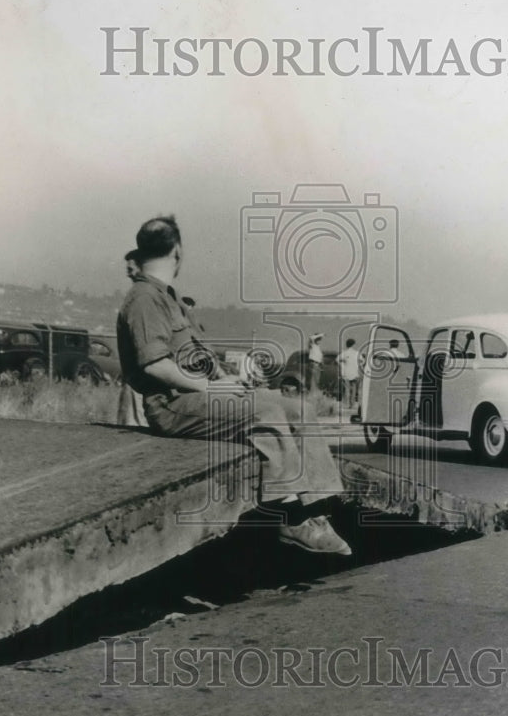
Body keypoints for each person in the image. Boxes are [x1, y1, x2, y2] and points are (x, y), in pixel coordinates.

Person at [116, 215, 352, 555]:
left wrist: (226, 378)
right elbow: (155, 365)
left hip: (197, 394)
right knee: (268, 410)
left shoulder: (170, 299)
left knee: (299, 408)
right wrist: (210, 389)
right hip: (172, 405)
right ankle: (290, 518)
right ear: (177, 252)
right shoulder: (143, 298)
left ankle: (316, 509)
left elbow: (193, 356)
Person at [116, 250, 148, 428]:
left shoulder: (143, 296)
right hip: (134, 378)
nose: (128, 271)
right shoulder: (137, 295)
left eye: (132, 266)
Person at [338, 338, 363, 411]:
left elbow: (337, 359)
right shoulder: (357, 353)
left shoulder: (344, 353)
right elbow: (363, 361)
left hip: (346, 373)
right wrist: (358, 365)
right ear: (353, 344)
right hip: (355, 373)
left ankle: (347, 404)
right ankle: (352, 404)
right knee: (354, 390)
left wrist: (342, 364)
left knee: (347, 390)